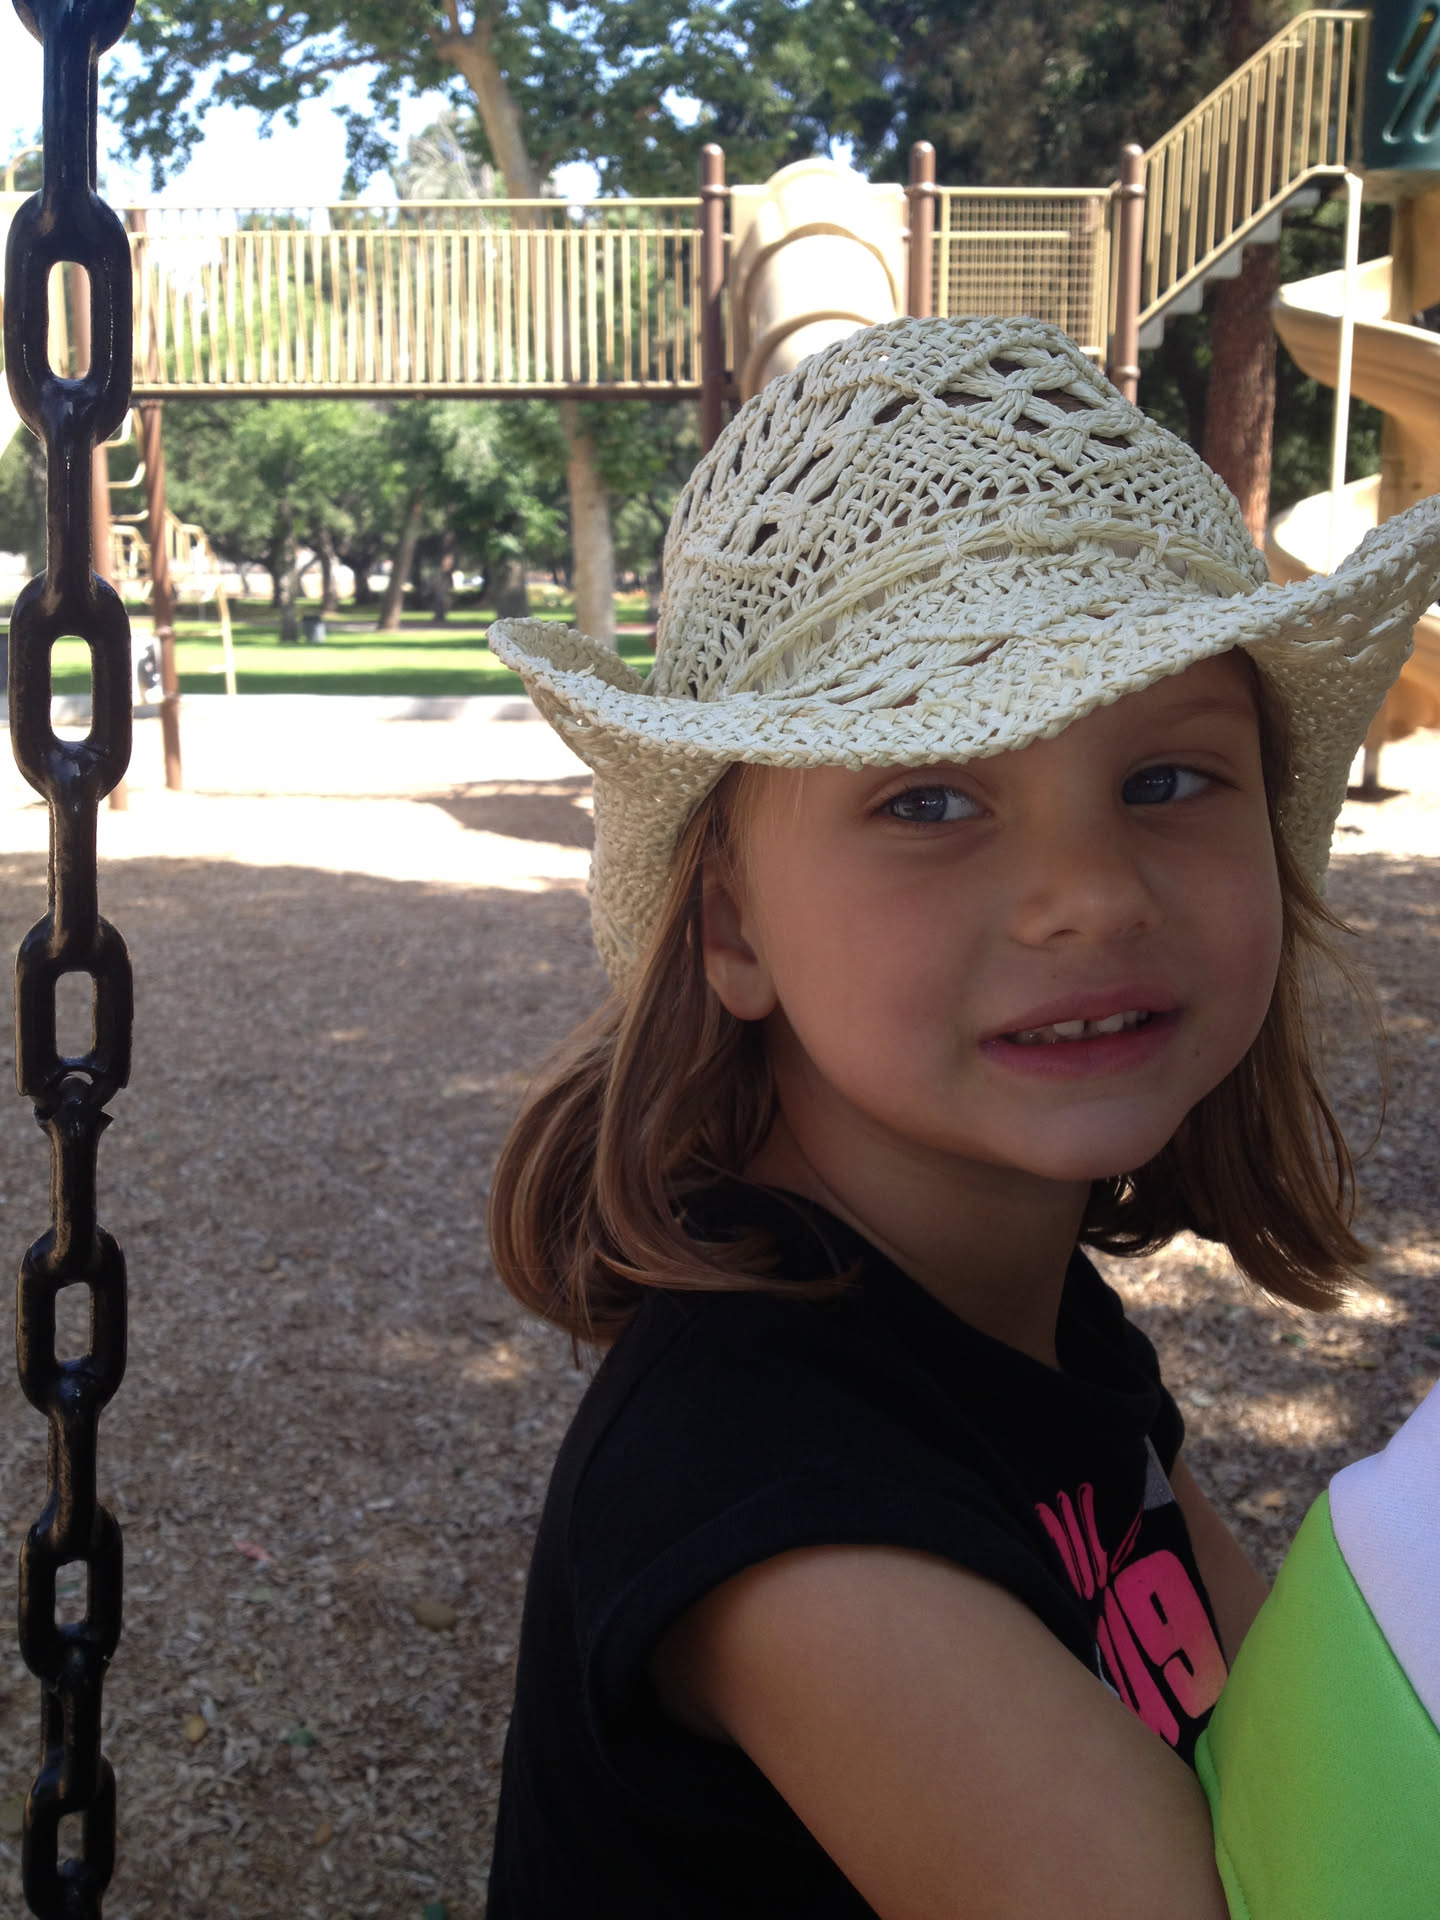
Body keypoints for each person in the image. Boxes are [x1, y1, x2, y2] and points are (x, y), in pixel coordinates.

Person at [480, 316, 1440, 1919]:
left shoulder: (1016, 1317)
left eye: (1165, 782)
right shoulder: (769, 1498)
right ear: (729, 928)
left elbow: (1269, 1738)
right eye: (928, 797)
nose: (1088, 894)